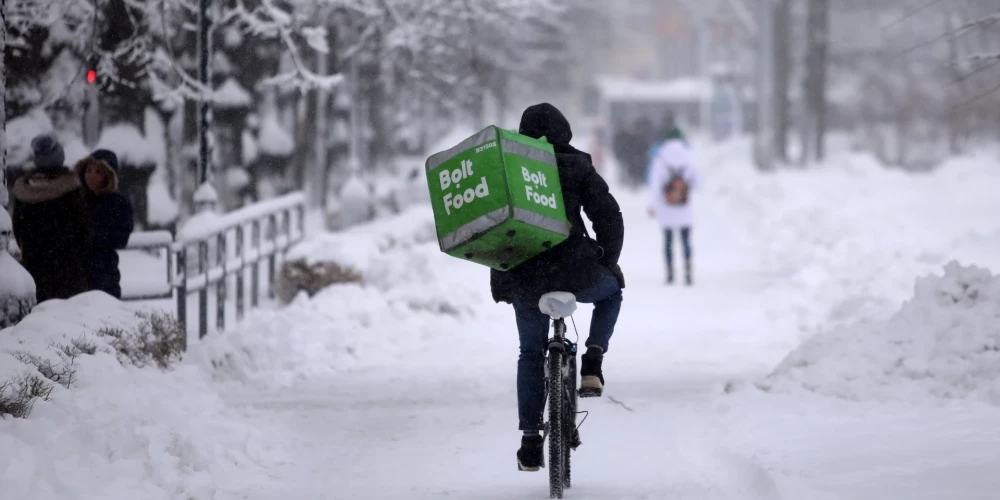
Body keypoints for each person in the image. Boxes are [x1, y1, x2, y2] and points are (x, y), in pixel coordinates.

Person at [490, 103, 625, 472]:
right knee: (612, 292)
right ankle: (592, 364)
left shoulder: (508, 171)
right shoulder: (576, 165)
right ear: (564, 131)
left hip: (526, 277)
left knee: (530, 354)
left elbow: (496, 232)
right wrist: (608, 262)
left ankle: (530, 441)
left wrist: (503, 280)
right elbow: (608, 216)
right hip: (576, 273)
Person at [12, 133, 92, 302]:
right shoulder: (71, 191)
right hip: (69, 273)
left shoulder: (24, 192)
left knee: (41, 323)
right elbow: (84, 233)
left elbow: (19, 233)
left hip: (35, 272)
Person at [74, 149, 134, 298]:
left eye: (98, 172)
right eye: (88, 170)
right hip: (75, 277)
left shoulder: (118, 203)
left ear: (108, 177)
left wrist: (93, 237)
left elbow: (121, 237)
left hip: (105, 274)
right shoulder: (75, 201)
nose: (91, 176)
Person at [646, 126, 698, 285]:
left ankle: (669, 272)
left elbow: (655, 184)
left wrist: (651, 204)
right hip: (684, 206)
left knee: (668, 241)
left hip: (666, 206)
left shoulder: (660, 159)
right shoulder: (689, 157)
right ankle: (688, 270)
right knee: (686, 240)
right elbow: (698, 181)